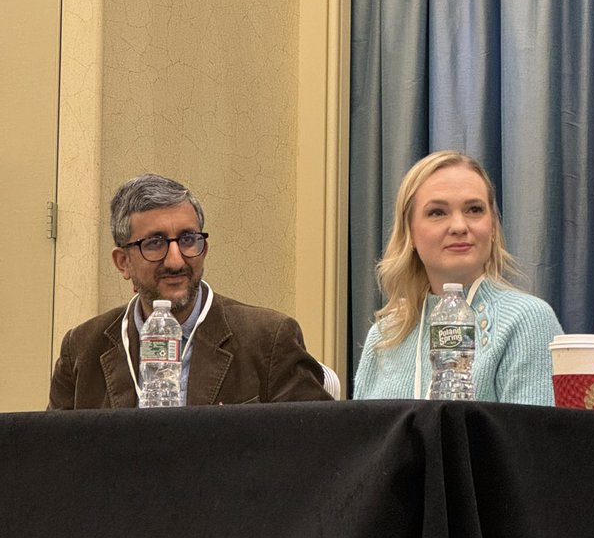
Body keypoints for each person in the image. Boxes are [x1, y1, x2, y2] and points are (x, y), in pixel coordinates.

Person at [49, 174, 331, 408]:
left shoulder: (268, 339)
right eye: (155, 243)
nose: (176, 260)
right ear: (123, 263)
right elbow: (53, 458)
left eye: (187, 239)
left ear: (204, 249)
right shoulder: (83, 348)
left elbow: (314, 451)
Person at [354, 151, 562, 404]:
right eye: (437, 212)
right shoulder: (384, 336)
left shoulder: (527, 320)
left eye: (474, 210)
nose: (459, 226)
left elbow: (533, 440)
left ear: (493, 227)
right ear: (410, 232)